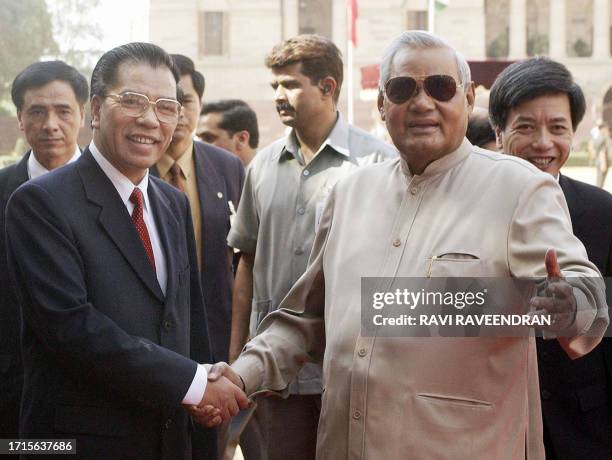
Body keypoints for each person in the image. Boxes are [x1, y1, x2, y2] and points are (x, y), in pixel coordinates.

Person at [200, 31, 608, 459]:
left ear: (468, 99)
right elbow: (303, 319)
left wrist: (570, 302)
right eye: (402, 89)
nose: (421, 102)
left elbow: (582, 289)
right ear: (382, 104)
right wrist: (241, 375)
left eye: (440, 87)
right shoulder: (349, 194)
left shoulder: (520, 189)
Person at [4, 43, 247, 459]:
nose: (150, 120)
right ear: (95, 110)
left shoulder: (172, 204)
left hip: (169, 439)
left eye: (167, 106)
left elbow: (189, 324)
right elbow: (71, 328)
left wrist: (205, 393)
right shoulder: (41, 202)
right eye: (132, 101)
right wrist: (193, 381)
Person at [226, 34, 397, 459]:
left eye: (290, 84)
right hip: (272, 369)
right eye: (275, 87)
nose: (279, 96)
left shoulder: (377, 163)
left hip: (349, 368)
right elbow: (246, 262)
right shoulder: (261, 166)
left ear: (328, 87)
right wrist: (237, 358)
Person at [489, 56, 612, 459]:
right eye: (525, 127)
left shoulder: (602, 212)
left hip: (582, 426)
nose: (543, 143)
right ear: (499, 131)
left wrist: (578, 306)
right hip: (489, 425)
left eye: (557, 128)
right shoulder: (468, 209)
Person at [0, 60, 87, 443]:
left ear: (84, 115)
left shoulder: (120, 191)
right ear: (20, 118)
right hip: (11, 389)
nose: (50, 124)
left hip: (98, 393)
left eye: (63, 111)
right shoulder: (3, 189)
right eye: (37, 111)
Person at [198, 99, 259, 166]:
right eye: (197, 139)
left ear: (242, 139)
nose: (198, 146)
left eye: (208, 138)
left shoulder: (268, 173)